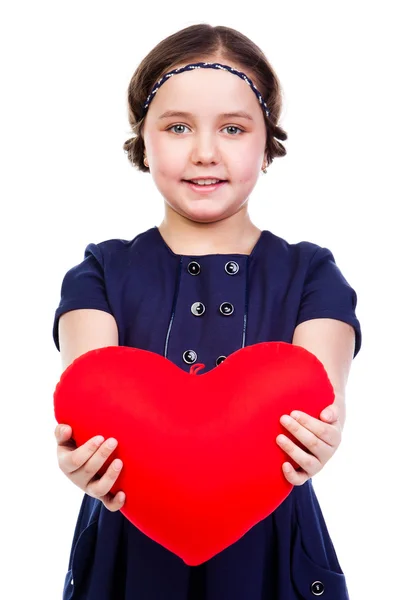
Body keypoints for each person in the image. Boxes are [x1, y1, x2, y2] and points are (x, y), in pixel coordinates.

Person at [53, 23, 362, 600]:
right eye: (176, 127)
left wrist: (324, 434)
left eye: (233, 128)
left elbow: (324, 396)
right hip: (128, 560)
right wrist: (81, 455)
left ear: (267, 142)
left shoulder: (312, 274)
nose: (204, 152)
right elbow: (88, 391)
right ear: (142, 140)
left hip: (275, 563)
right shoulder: (100, 273)